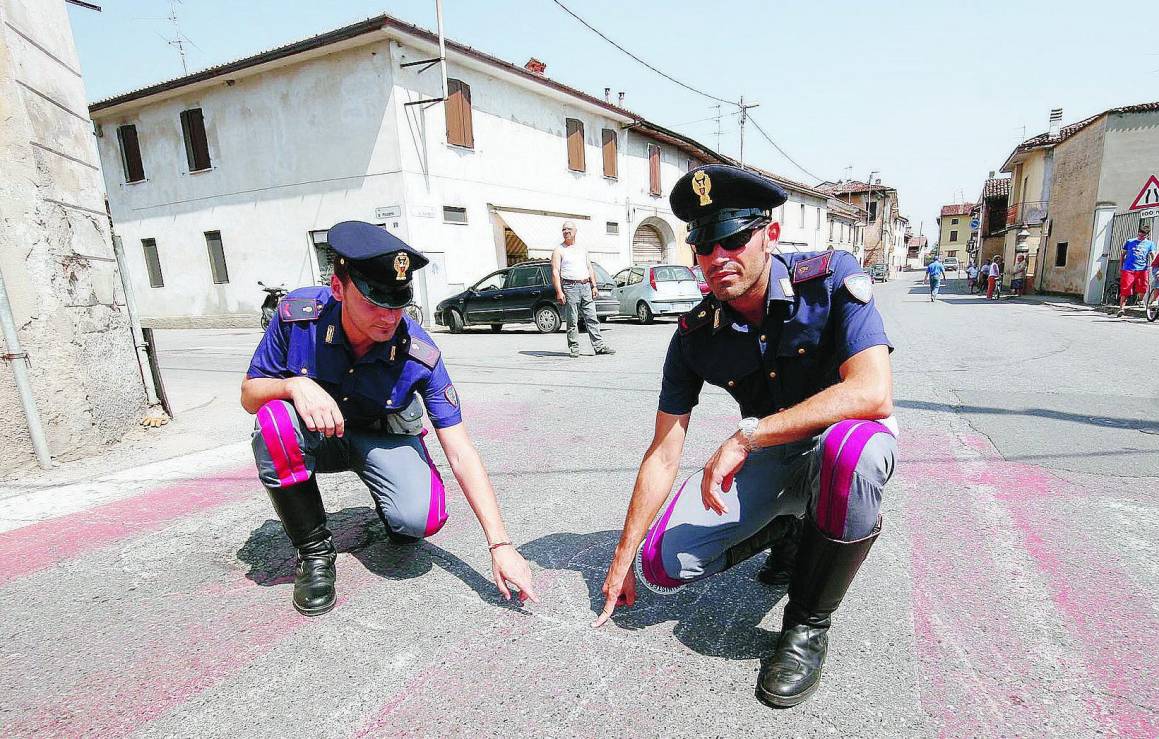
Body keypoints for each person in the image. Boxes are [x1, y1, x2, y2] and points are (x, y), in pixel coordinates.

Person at [592, 165, 897, 708]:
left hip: (843, 441)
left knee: (850, 451)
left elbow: (873, 391)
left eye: (733, 239)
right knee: (665, 562)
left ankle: (806, 626)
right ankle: (793, 529)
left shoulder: (829, 278)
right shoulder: (694, 335)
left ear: (770, 235)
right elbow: (664, 452)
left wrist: (746, 437)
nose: (717, 258)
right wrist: (623, 554)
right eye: (704, 245)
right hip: (777, 456)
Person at [240, 221, 539, 616]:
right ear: (337, 288)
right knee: (275, 422)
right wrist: (293, 385)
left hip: (380, 437)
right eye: (373, 303)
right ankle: (313, 553)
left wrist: (500, 545)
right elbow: (249, 395)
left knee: (421, 520)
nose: (388, 317)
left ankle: (391, 504)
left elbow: (461, 450)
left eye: (397, 304)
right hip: (317, 438)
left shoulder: (419, 353)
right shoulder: (298, 318)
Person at [551, 221, 615, 358]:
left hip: (586, 286)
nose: (566, 231)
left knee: (592, 318)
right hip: (570, 287)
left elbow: (589, 267)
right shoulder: (559, 250)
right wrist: (559, 291)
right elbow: (555, 271)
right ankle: (574, 348)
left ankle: (599, 346)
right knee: (572, 320)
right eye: (563, 229)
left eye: (568, 229)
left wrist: (594, 286)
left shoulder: (582, 248)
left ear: (575, 231)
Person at [1117, 226, 1156, 317]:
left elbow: (1153, 255)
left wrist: (1154, 265)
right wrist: (1121, 267)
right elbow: (1123, 255)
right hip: (1128, 269)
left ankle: (1140, 300)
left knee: (1143, 287)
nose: (1141, 236)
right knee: (1125, 288)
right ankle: (1121, 308)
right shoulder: (1130, 242)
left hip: (1142, 269)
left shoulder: (1150, 244)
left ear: (1147, 235)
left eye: (1143, 235)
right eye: (1140, 234)